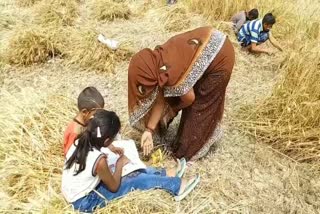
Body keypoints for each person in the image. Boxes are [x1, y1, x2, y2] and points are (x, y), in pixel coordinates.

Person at [128, 26, 235, 161]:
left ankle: (191, 150)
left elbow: (189, 99)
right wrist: (149, 130)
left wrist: (174, 107)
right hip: (211, 40)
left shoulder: (171, 73)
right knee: (178, 94)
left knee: (199, 109)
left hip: (221, 57)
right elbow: (160, 99)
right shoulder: (159, 64)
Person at [61, 109, 200, 212]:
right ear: (106, 139)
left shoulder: (81, 139)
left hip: (72, 191)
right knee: (132, 181)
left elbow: (99, 141)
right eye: (113, 138)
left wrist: (111, 147)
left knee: (127, 171)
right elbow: (114, 187)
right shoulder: (99, 161)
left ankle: (163, 173)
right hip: (83, 202)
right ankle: (176, 186)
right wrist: (120, 163)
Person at [63, 87, 122, 157]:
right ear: (85, 112)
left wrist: (111, 147)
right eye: (96, 113)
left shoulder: (89, 121)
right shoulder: (75, 132)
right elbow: (69, 155)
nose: (98, 115)